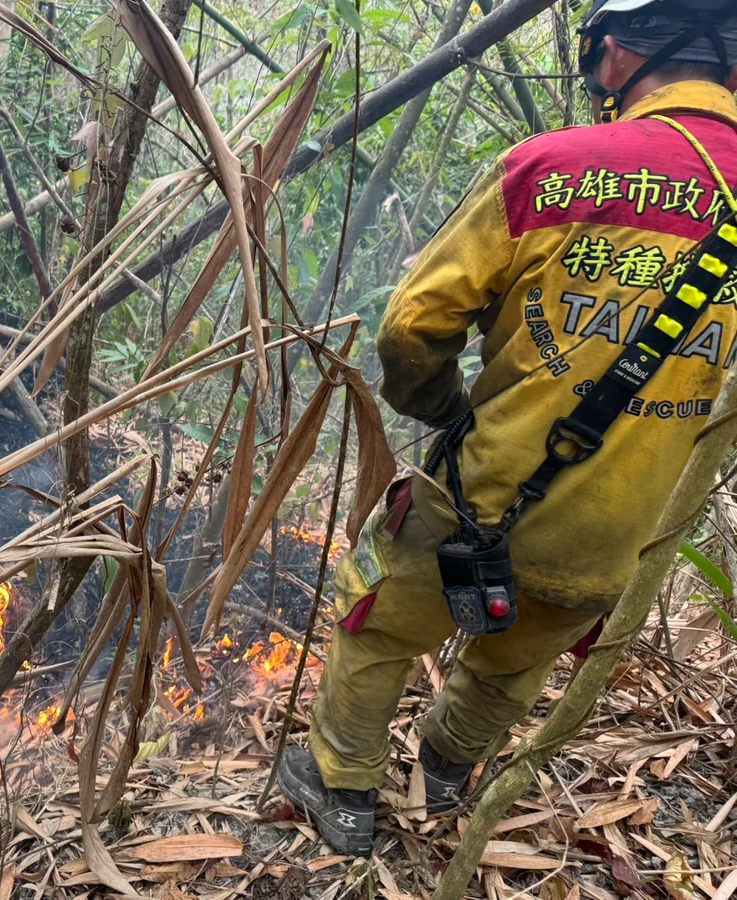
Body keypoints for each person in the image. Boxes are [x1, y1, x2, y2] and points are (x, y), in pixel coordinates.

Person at [277, 0, 737, 856]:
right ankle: (449, 772)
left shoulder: (557, 168)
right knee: (514, 660)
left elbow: (411, 329)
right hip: (622, 531)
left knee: (376, 627)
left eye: (593, 48)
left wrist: (447, 411)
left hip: (485, 490)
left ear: (625, 49)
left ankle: (340, 789)